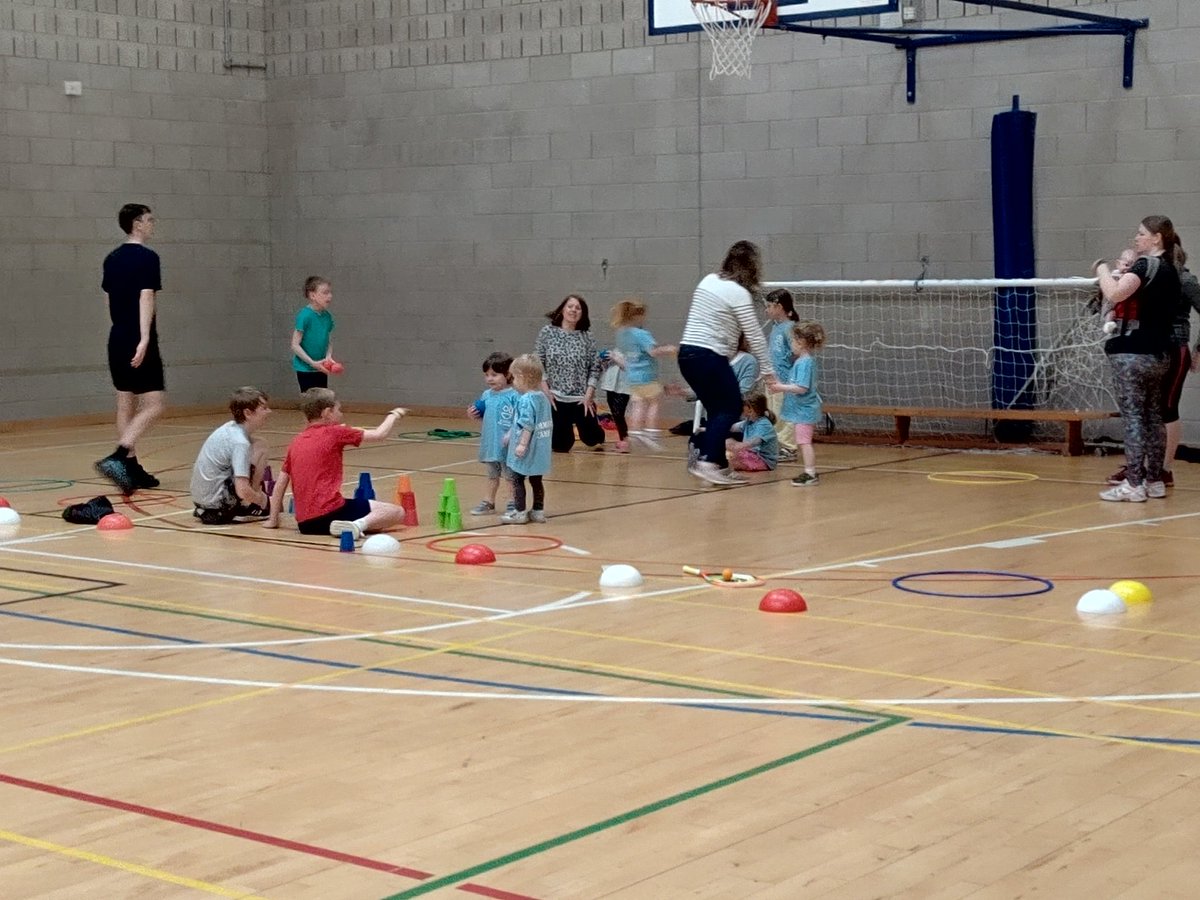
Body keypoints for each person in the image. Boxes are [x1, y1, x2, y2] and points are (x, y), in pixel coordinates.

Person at [1094, 215, 1183, 502]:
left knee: (1133, 418)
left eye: (1141, 233)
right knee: (1154, 417)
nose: (1137, 238)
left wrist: (1102, 269)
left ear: (1157, 238)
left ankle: (1133, 483)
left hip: (1134, 354)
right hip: (1161, 355)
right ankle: (1154, 479)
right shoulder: (1172, 270)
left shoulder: (1148, 265)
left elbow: (1116, 293)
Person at [677, 241, 777, 486]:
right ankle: (708, 461)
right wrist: (768, 370)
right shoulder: (738, 292)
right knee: (731, 408)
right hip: (708, 356)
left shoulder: (707, 281)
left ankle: (720, 464)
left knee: (715, 410)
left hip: (687, 355)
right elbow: (753, 334)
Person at [263, 388, 408, 539]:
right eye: (338, 410)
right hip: (331, 512)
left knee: (375, 522)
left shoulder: (296, 441)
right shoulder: (335, 432)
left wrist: (273, 519)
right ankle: (357, 526)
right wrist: (394, 414)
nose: (341, 414)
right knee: (396, 512)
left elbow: (280, 484)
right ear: (327, 412)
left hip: (305, 524)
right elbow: (379, 434)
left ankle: (354, 524)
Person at [94, 203, 167, 495]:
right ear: (137, 224)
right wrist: (145, 338)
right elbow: (146, 296)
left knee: (125, 402)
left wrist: (122, 329)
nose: (152, 224)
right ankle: (120, 455)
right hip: (139, 337)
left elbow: (108, 299)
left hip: (117, 335)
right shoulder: (148, 257)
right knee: (155, 404)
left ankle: (131, 468)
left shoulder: (111, 258)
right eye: (149, 220)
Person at [1108, 260, 1200, 489]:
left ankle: (1162, 470)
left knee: (1166, 409)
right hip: (1152, 347)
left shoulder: (1183, 278)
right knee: (1148, 411)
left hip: (1174, 347)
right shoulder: (1148, 275)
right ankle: (1143, 469)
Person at [190, 387, 273, 525]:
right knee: (261, 449)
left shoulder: (230, 428)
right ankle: (250, 506)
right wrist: (264, 501)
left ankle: (246, 503)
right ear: (248, 413)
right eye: (264, 408)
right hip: (219, 508)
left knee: (259, 444)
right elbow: (242, 490)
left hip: (203, 503)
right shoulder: (240, 443)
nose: (269, 411)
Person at [535, 294, 605, 453]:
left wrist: (589, 395)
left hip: (580, 398)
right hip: (555, 397)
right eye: (570, 306)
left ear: (582, 313)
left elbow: (595, 367)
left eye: (578, 308)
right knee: (560, 445)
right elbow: (539, 362)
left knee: (593, 440)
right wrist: (546, 392)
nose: (573, 310)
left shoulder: (587, 337)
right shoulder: (547, 332)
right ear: (562, 309)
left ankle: (594, 429)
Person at [611, 298, 677, 451]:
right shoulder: (641, 334)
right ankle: (651, 432)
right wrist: (669, 349)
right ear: (637, 316)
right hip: (646, 376)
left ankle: (635, 431)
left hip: (632, 378)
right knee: (655, 401)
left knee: (638, 404)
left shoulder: (622, 334)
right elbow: (652, 351)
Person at [770, 320, 826, 486]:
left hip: (805, 410)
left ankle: (810, 473)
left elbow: (801, 387)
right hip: (801, 410)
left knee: (804, 442)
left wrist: (780, 387)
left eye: (793, 341)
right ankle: (809, 471)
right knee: (803, 441)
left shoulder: (805, 363)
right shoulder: (801, 361)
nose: (791, 345)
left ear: (801, 343)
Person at [502, 355, 553, 524]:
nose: (513, 381)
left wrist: (522, 444)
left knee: (517, 479)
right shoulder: (543, 398)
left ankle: (520, 512)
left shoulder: (525, 400)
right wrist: (511, 432)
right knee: (536, 480)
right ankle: (538, 510)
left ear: (523, 377)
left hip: (528, 450)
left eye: (514, 377)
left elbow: (527, 424)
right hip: (541, 449)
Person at [466, 351, 518, 516]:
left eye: (494, 375)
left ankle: (513, 502)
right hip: (491, 443)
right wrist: (473, 415)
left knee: (510, 476)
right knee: (492, 475)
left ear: (508, 375)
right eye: (487, 375)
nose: (489, 379)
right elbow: (486, 418)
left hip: (508, 445)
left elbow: (519, 419)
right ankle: (489, 501)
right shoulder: (486, 395)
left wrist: (511, 433)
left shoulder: (515, 396)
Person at [763, 288, 800, 461]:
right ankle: (776, 445)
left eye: (770, 306)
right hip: (772, 378)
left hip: (784, 379)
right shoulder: (776, 328)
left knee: (785, 414)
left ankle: (789, 447)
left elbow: (796, 352)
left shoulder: (790, 328)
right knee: (773, 412)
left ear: (780, 307)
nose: (767, 310)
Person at [291, 276, 335, 393]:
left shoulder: (327, 316)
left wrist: (328, 357)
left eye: (330, 292)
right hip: (305, 369)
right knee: (311, 404)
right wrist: (312, 363)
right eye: (325, 293)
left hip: (321, 368)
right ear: (312, 295)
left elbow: (329, 339)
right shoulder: (305, 316)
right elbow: (295, 345)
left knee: (323, 401)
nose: (330, 296)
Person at [725, 392, 778, 472]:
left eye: (747, 411)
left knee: (733, 457)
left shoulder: (764, 424)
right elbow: (731, 427)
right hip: (750, 455)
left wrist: (740, 446)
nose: (745, 414)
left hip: (763, 460)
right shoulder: (748, 422)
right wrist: (711, 429)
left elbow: (756, 441)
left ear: (754, 410)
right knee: (727, 443)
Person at [598, 348, 632, 453]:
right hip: (611, 387)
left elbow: (630, 367)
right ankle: (622, 439)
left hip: (623, 388)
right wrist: (604, 362)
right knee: (615, 413)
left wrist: (615, 358)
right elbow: (607, 368)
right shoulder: (617, 350)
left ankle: (625, 440)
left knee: (619, 413)